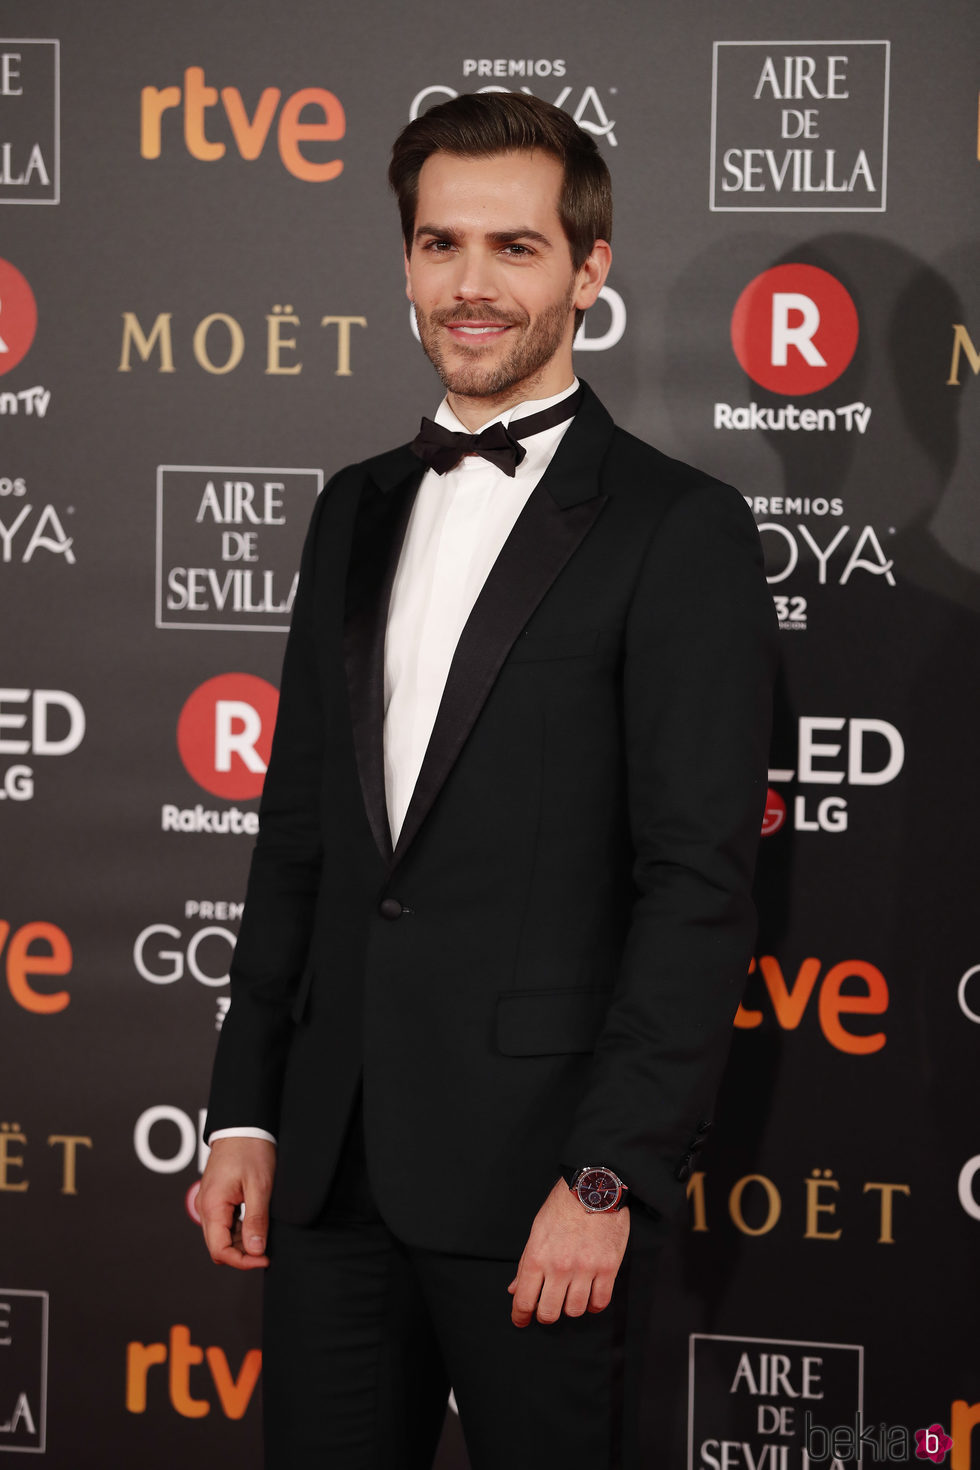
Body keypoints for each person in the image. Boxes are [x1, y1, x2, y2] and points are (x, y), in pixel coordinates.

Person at [198, 91, 777, 1468]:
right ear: (403, 264)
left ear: (590, 269)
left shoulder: (677, 529)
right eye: (440, 243)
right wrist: (248, 1103)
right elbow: (298, 837)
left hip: (539, 1179)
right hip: (332, 1166)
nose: (470, 285)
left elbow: (695, 881)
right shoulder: (352, 505)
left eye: (514, 248)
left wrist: (607, 1173)